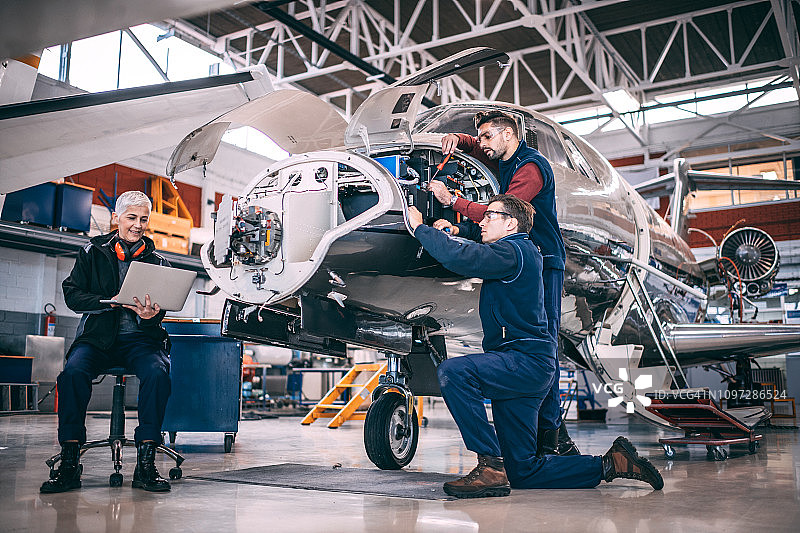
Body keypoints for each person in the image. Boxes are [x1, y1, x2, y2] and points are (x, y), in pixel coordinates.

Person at [407, 194, 663, 498]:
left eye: (491, 216)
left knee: (455, 372)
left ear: (511, 223)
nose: (483, 221)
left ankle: (489, 466)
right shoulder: (519, 251)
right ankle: (611, 464)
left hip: (522, 361)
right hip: (530, 367)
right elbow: (470, 252)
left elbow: (465, 259)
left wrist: (421, 229)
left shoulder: (513, 250)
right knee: (522, 471)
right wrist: (453, 233)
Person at [428, 110, 575, 457]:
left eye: (487, 137)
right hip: (518, 255)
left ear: (509, 135)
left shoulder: (530, 168)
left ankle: (552, 437)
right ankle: (540, 431)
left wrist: (454, 202)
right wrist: (460, 141)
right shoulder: (500, 153)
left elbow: (505, 211)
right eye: (479, 138)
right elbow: (481, 153)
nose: (482, 145)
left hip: (544, 263)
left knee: (544, 346)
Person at [41, 190, 172, 494]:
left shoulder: (158, 261)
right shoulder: (92, 252)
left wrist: (151, 315)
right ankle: (70, 461)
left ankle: (146, 462)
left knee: (157, 373)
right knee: (72, 374)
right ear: (116, 218)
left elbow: (160, 310)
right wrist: (108, 301)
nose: (138, 225)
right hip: (98, 339)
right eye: (131, 218)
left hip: (141, 340)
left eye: (143, 219)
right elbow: (73, 295)